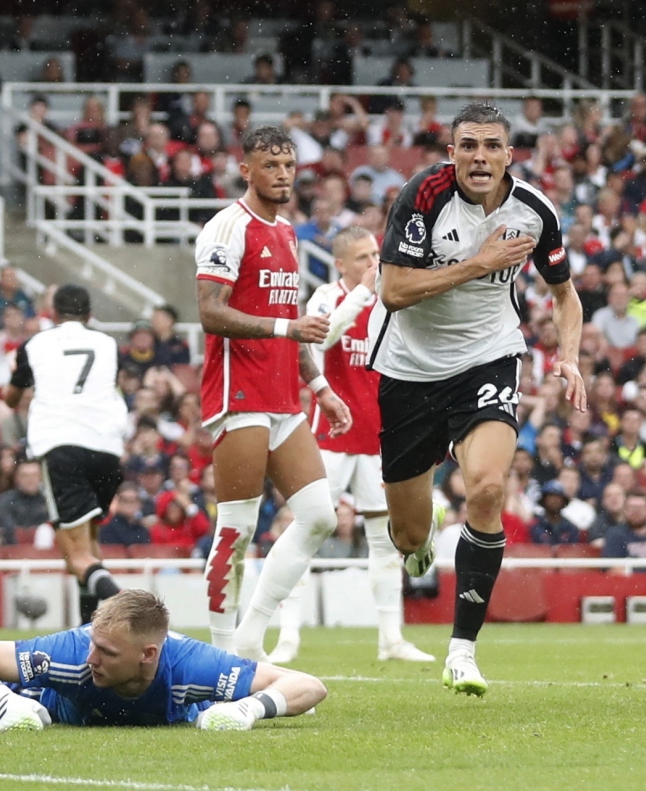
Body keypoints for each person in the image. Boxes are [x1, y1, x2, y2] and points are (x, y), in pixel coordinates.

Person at [369, 102, 586, 695]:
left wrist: (568, 354)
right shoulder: (423, 195)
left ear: (510, 154)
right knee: (410, 535)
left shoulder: (535, 211)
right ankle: (424, 532)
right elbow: (393, 290)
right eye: (468, 146)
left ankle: (462, 651)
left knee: (488, 488)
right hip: (409, 369)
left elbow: (565, 297)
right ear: (452, 152)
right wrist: (478, 264)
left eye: (492, 146)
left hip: (488, 357)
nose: (480, 157)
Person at [194, 126, 351, 659]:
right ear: (247, 170)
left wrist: (321, 387)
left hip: (285, 397)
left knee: (320, 517)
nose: (283, 175)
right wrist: (286, 331)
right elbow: (210, 313)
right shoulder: (226, 228)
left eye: (288, 166)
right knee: (236, 531)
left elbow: (293, 319)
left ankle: (249, 635)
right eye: (271, 166)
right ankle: (219, 654)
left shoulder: (285, 231)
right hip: (239, 395)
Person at [0, 589, 326, 732]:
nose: (92, 657)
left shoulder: (193, 665)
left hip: (99, 711)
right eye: (92, 642)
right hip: (51, 705)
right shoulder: (70, 653)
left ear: (150, 654)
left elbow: (309, 684)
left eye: (106, 651)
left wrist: (247, 709)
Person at [270, 226, 433, 664]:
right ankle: (288, 636)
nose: (372, 263)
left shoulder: (388, 301)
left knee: (384, 540)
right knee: (309, 529)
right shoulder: (327, 296)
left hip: (378, 439)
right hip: (331, 438)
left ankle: (391, 639)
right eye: (362, 257)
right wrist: (360, 294)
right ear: (340, 264)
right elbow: (321, 337)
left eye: (376, 255)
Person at [5, 284, 129, 624]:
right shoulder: (108, 344)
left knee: (74, 555)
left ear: (52, 314)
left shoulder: (35, 344)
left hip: (62, 446)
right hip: (106, 449)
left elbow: (11, 398)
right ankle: (88, 627)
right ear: (89, 315)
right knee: (90, 541)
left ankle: (123, 604)